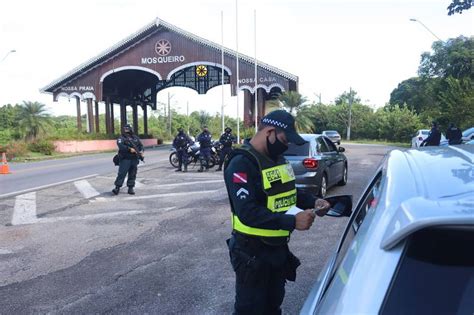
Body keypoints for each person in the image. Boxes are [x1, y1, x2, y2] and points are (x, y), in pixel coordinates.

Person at [223, 110, 330, 314]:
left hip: (277, 250)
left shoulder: (278, 159)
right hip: (251, 254)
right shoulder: (241, 163)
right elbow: (247, 212)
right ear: (269, 132)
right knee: (251, 310)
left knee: (273, 307)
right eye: (284, 139)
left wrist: (315, 201)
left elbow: (289, 191)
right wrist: (292, 222)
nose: (287, 144)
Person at [112, 124, 144, 195]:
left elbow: (141, 145)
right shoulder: (121, 138)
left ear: (131, 129)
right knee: (122, 174)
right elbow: (120, 146)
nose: (126, 129)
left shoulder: (135, 138)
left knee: (132, 174)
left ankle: (130, 188)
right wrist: (129, 149)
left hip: (134, 159)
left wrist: (141, 151)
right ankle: (117, 187)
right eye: (125, 128)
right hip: (125, 159)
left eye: (127, 128)